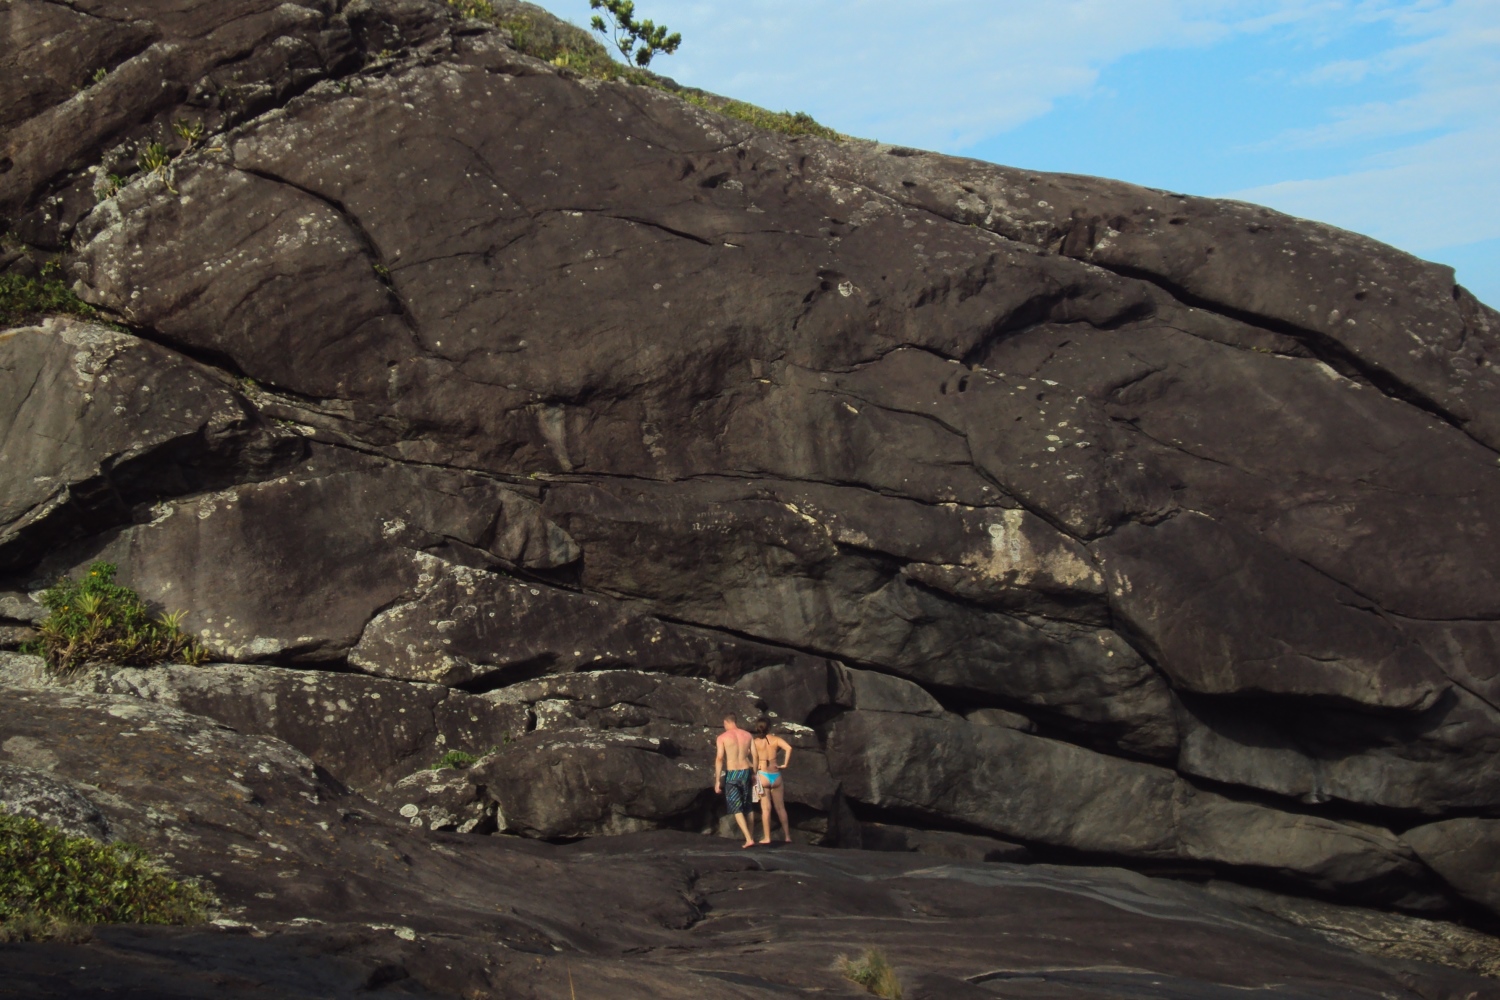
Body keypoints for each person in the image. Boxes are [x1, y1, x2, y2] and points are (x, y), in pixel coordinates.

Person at [714, 713, 756, 848]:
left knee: (736, 806)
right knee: (748, 806)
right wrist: (754, 773)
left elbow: (720, 758)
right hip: (745, 771)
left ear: (727, 722)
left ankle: (749, 839)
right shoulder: (748, 735)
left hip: (732, 774)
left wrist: (717, 781)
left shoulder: (722, 737)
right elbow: (755, 755)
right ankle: (751, 835)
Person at [751, 716, 793, 844]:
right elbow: (789, 748)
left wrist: (754, 769)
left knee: (766, 809)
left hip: (763, 775)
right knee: (781, 808)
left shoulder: (755, 742)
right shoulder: (776, 740)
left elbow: (751, 756)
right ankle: (787, 836)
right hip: (776, 775)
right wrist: (785, 764)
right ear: (769, 727)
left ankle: (767, 837)